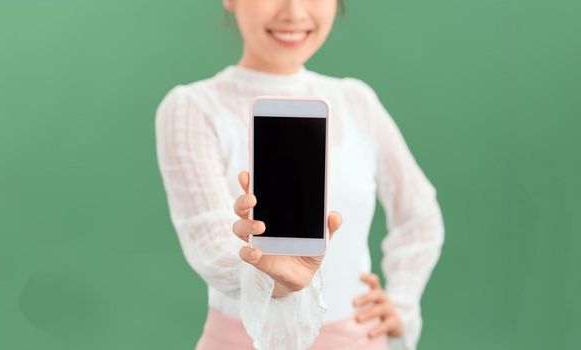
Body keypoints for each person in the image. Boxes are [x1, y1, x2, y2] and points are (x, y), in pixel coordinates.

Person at [154, 0, 444, 349]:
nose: (294, 11)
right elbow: (210, 247)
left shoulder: (356, 101)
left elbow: (420, 215)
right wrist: (271, 277)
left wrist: (401, 304)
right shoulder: (192, 108)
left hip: (356, 341)